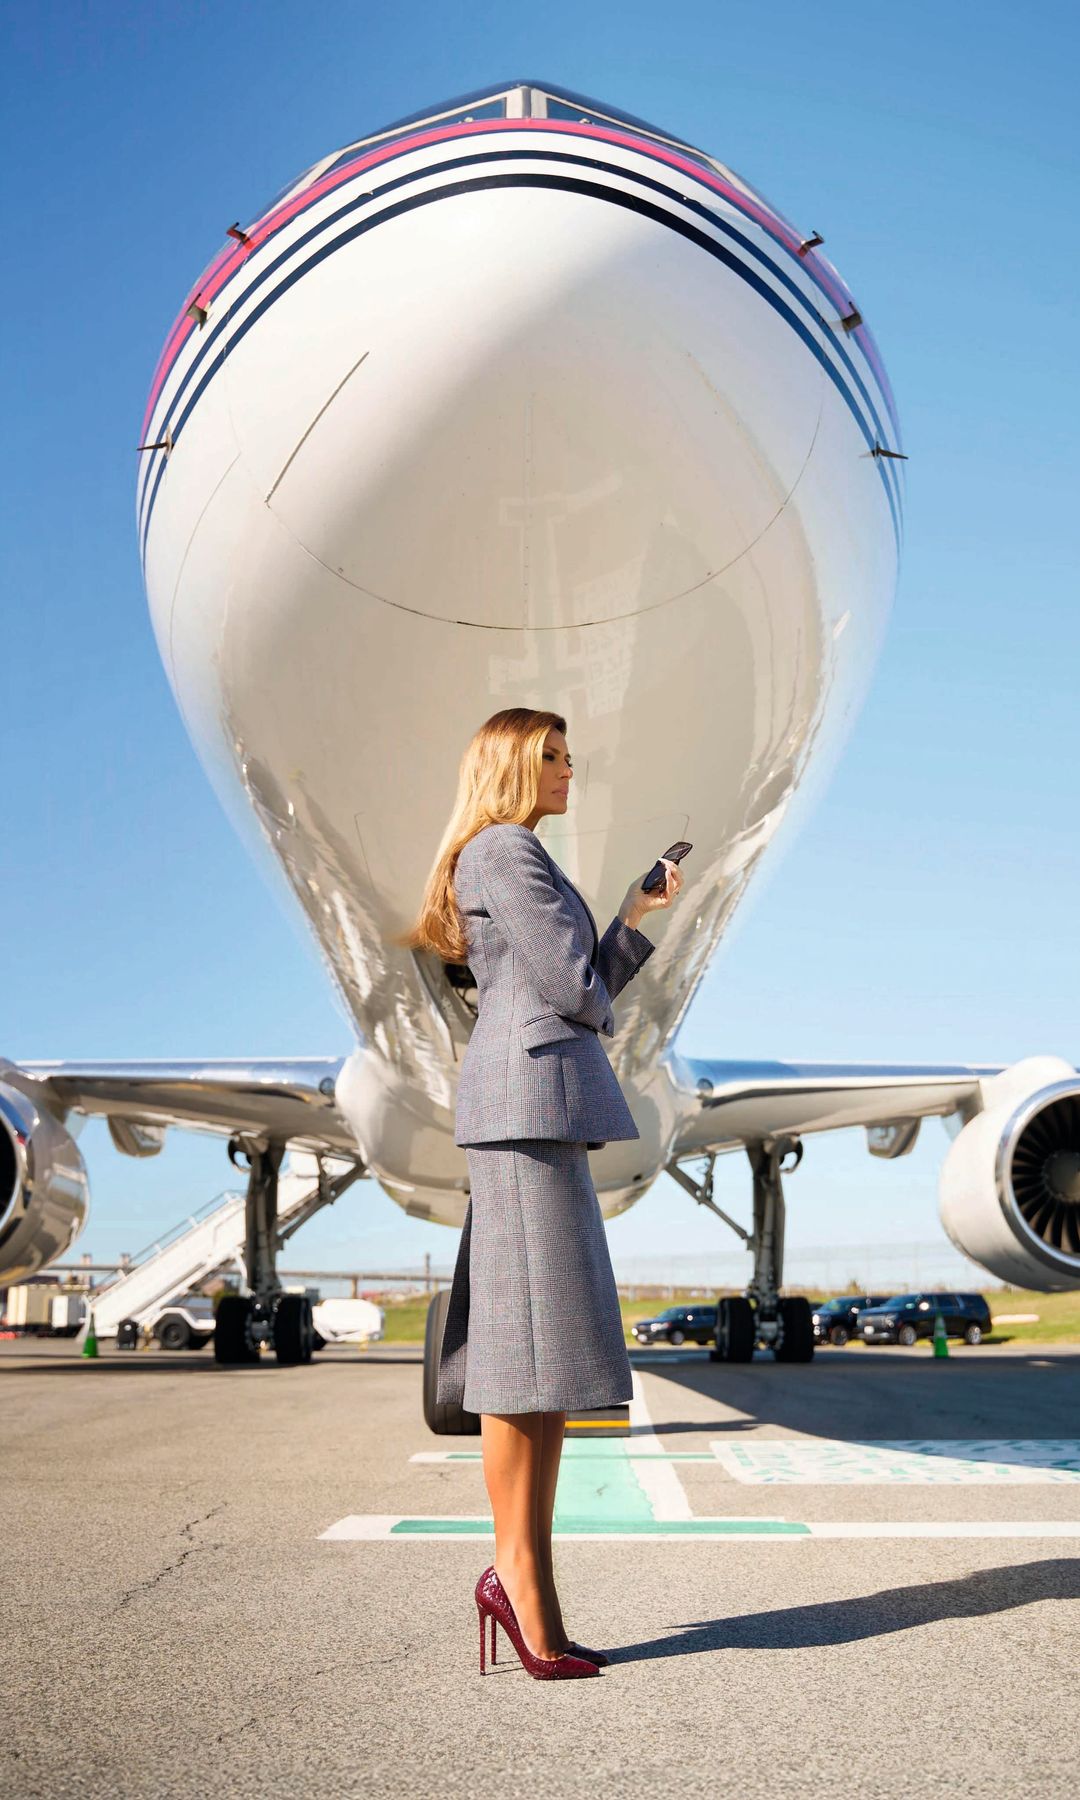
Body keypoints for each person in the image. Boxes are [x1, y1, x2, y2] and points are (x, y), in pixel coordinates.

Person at [401, 707, 682, 1679]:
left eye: (569, 754)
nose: (571, 768)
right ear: (512, 766)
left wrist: (634, 919)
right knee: (526, 1365)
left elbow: (575, 983)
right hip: (525, 1113)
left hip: (540, 1112)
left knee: (547, 1366)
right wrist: (596, 969)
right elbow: (572, 992)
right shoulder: (505, 853)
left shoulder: (514, 858)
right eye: (552, 755)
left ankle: (523, 1584)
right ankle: (519, 1585)